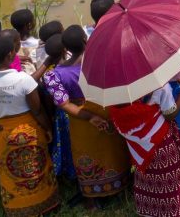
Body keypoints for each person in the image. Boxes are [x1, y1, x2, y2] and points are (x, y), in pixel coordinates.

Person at [42, 26, 131, 205]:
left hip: (80, 120)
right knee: (113, 150)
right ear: (86, 41)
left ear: (65, 49)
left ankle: (92, 196)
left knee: (86, 152)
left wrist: (89, 117)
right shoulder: (104, 61)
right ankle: (122, 186)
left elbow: (65, 104)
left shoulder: (52, 75)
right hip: (107, 112)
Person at [0, 35, 59, 216]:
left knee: (8, 169)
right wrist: (47, 127)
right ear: (11, 55)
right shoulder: (23, 80)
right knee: (37, 164)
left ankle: (17, 206)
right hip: (28, 127)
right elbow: (37, 111)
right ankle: (44, 201)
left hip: (1, 130)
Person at [108, 72, 180, 217]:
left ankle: (151, 211)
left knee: (148, 178)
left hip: (139, 145)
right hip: (161, 142)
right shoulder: (158, 85)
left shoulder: (117, 89)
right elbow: (170, 113)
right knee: (169, 179)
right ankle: (175, 212)